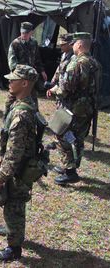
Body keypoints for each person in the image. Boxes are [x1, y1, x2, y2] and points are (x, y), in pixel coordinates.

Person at [0, 65, 39, 262]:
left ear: (24, 83)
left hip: (19, 169)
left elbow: (15, 154)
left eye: (13, 80)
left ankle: (13, 249)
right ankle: (11, 228)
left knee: (14, 205)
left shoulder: (21, 115)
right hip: (20, 166)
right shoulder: (24, 103)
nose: (9, 82)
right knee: (11, 205)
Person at [47, 32, 101, 185]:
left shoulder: (76, 63)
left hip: (73, 109)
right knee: (78, 138)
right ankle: (69, 167)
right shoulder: (95, 63)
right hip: (88, 108)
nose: (73, 47)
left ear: (79, 44)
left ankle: (70, 171)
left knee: (62, 135)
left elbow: (65, 89)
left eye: (74, 44)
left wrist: (54, 89)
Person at [4, 22, 47, 118]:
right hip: (18, 77)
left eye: (26, 33)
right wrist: (18, 76)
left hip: (30, 77)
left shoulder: (34, 43)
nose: (24, 35)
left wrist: (42, 71)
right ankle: (6, 117)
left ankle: (35, 118)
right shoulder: (15, 43)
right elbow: (12, 62)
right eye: (23, 32)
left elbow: (37, 59)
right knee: (12, 97)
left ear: (31, 32)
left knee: (33, 97)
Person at [44, 33, 74, 151]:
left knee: (64, 118)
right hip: (59, 91)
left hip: (65, 93)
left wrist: (55, 88)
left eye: (63, 45)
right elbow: (58, 70)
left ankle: (62, 142)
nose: (61, 47)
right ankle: (56, 140)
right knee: (59, 115)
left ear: (70, 44)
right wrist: (51, 84)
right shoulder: (64, 55)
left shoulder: (73, 58)